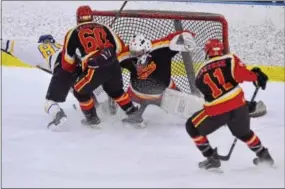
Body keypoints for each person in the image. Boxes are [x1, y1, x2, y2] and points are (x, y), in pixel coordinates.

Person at [111, 32, 267, 118]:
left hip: (141, 93)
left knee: (127, 92)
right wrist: (185, 37)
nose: (136, 55)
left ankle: (120, 111)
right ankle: (239, 108)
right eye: (134, 53)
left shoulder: (126, 56)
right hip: (161, 93)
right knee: (198, 104)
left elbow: (108, 66)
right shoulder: (160, 47)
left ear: (145, 47)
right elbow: (183, 36)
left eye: (138, 52)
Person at [185, 39, 274, 170]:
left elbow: (208, 92)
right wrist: (256, 75)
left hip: (217, 111)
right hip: (239, 106)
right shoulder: (230, 59)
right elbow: (242, 75)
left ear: (207, 52)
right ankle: (264, 156)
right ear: (221, 49)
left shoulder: (199, 72)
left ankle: (211, 158)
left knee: (191, 126)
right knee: (244, 133)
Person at [61, 5, 143, 126]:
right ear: (92, 16)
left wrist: (76, 68)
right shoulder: (105, 27)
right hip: (113, 64)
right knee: (116, 91)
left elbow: (67, 61)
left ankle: (92, 118)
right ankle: (134, 114)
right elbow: (120, 47)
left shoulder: (72, 32)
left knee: (79, 91)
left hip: (95, 67)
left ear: (78, 18)